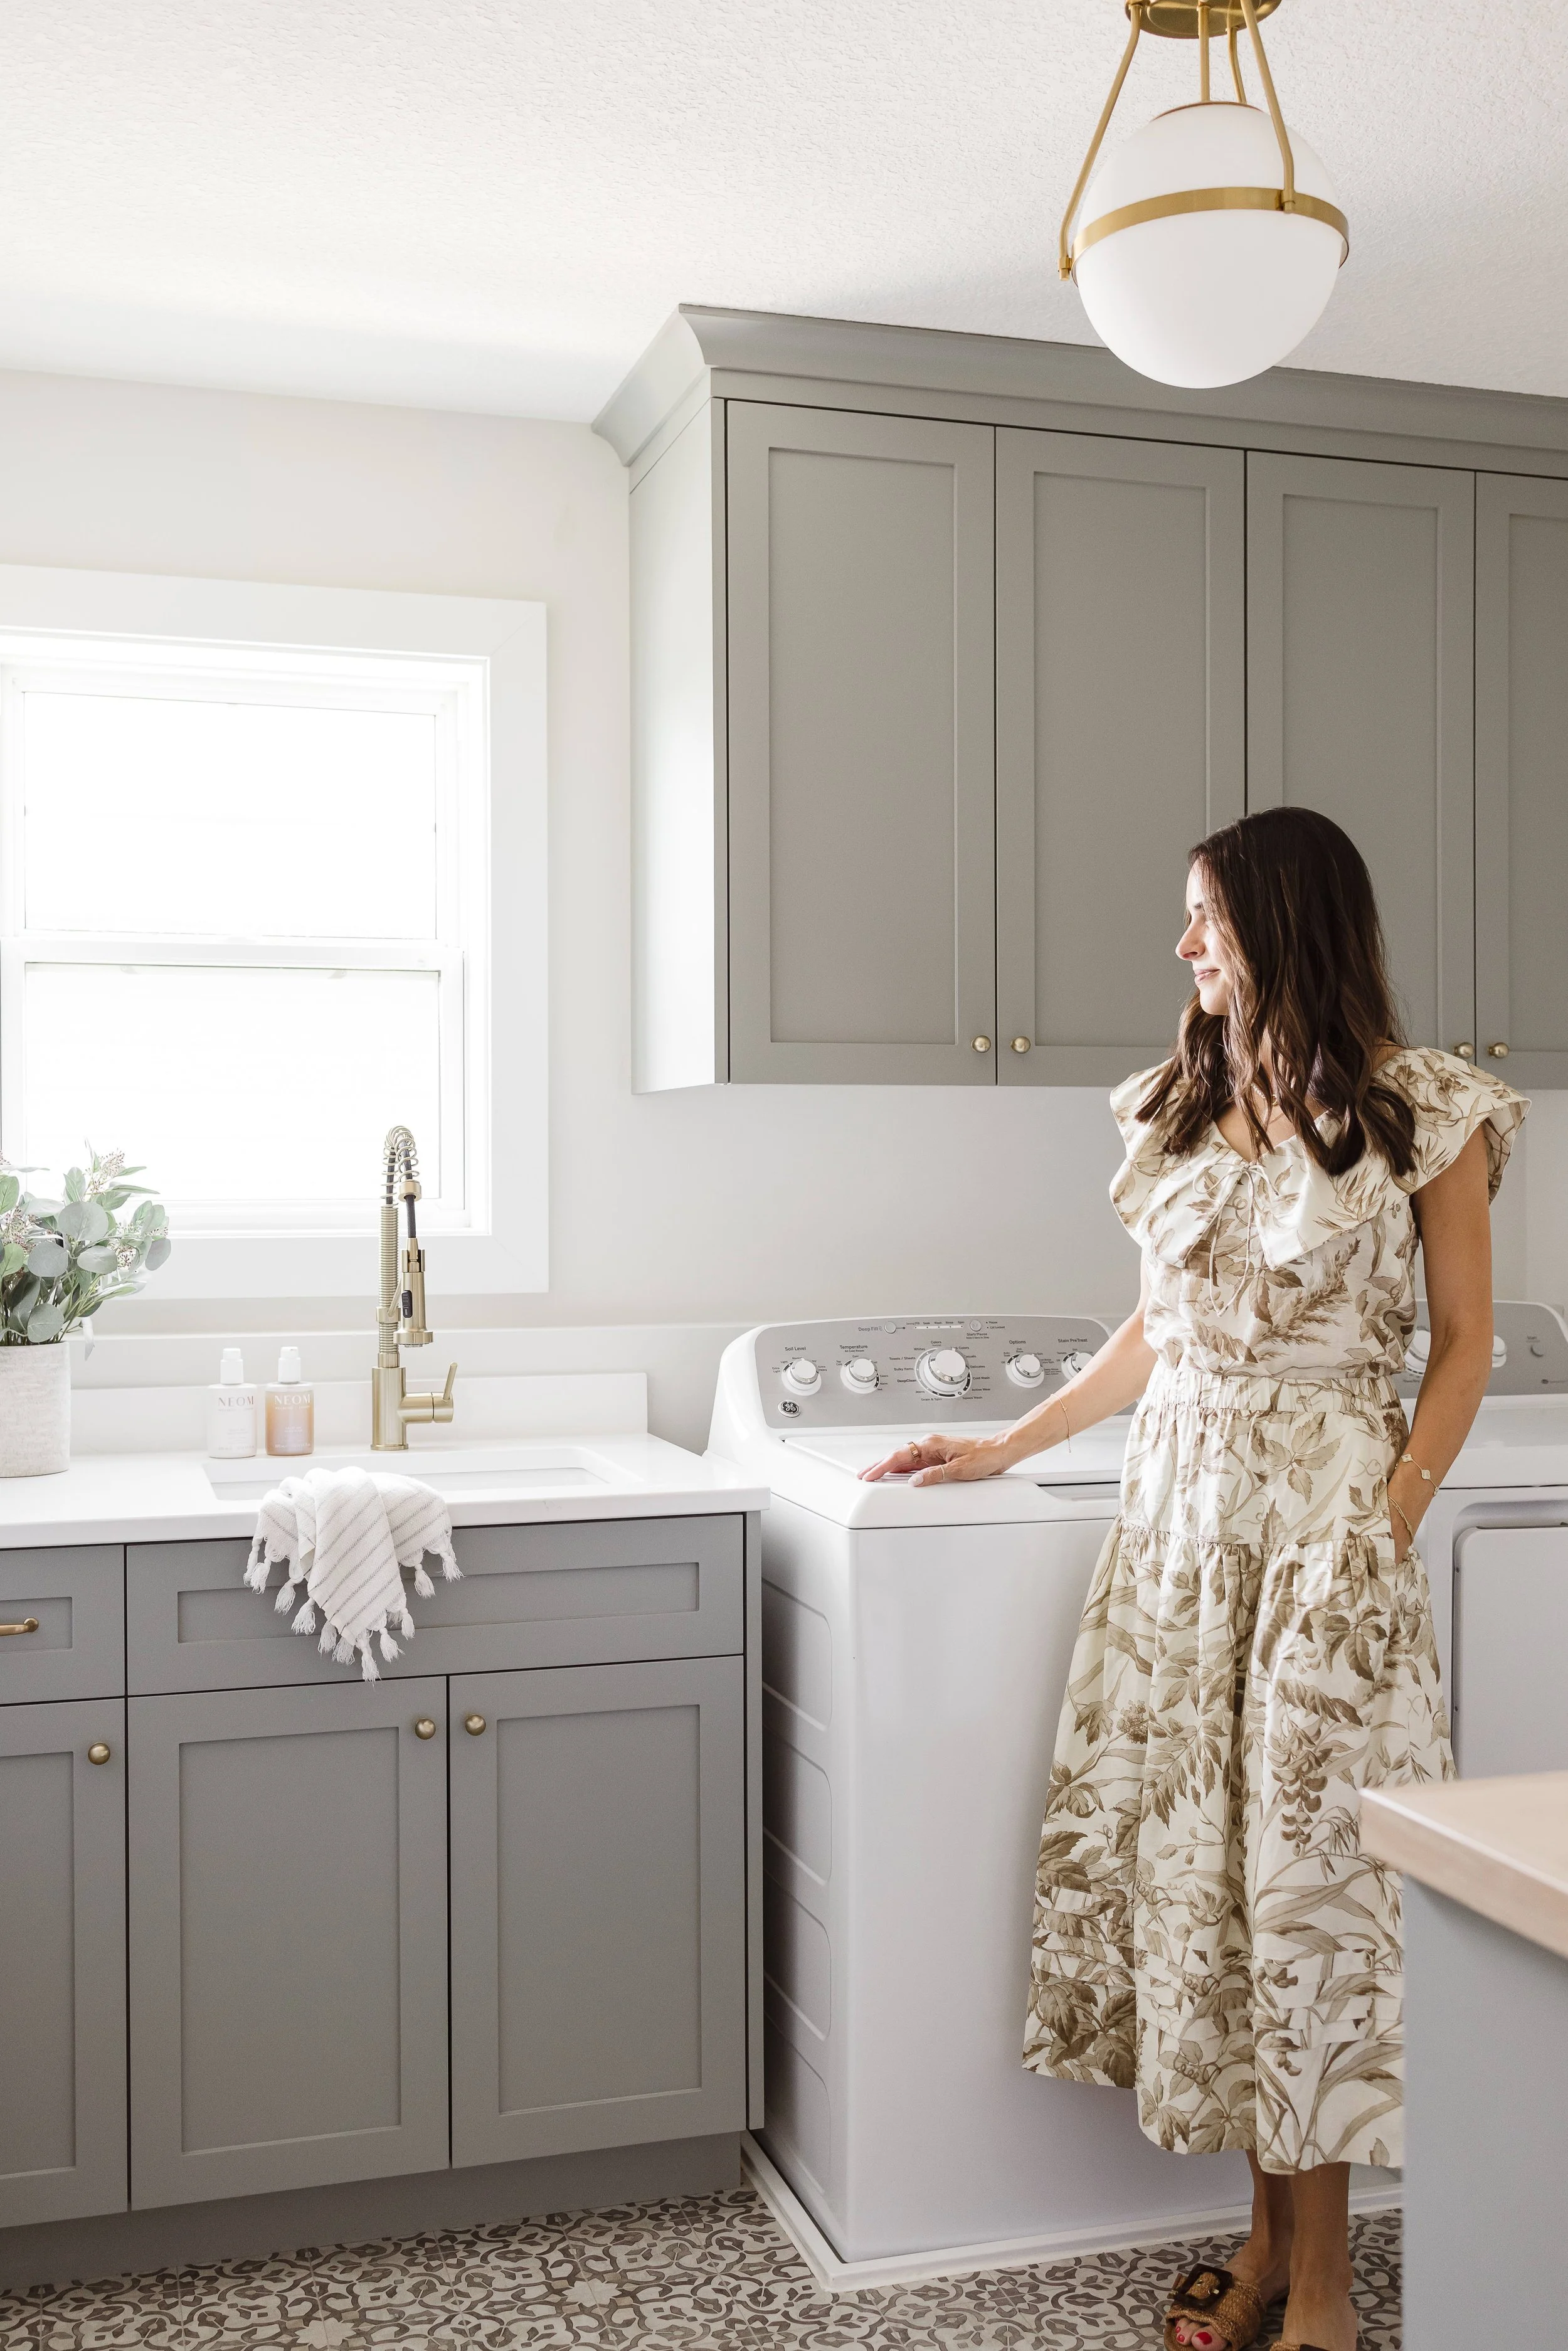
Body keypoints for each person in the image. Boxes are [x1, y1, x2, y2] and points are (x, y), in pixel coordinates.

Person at [862, 808, 1527, 2351]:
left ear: (1287, 924)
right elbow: (1153, 1332)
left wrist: (1383, 1524)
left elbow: (1464, 1346)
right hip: (1173, 1531)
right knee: (1216, 1898)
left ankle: (1327, 2283)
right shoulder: (1175, 1109)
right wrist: (1004, 1444)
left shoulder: (1429, 1113)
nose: (1182, 948)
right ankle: (1254, 2234)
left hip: (1322, 1539)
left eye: (1205, 919)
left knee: (1313, 1898)